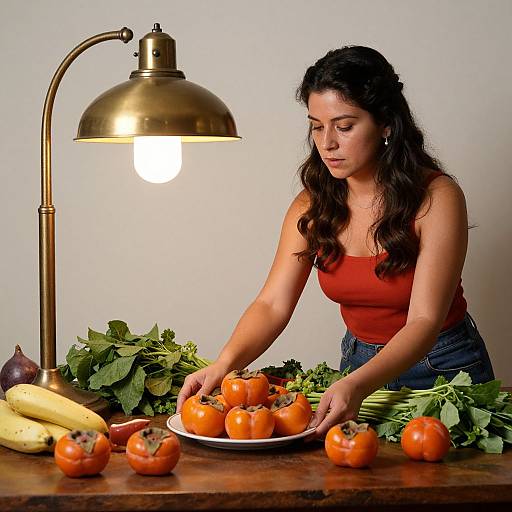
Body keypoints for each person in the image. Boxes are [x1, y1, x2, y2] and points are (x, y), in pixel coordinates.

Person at [176, 46, 495, 439]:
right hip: (356, 363)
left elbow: (425, 322)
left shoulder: (437, 197)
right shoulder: (311, 204)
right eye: (316, 125)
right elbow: (272, 304)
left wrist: (357, 385)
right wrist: (223, 363)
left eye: (344, 126)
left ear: (386, 125)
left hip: (444, 369)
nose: (327, 143)